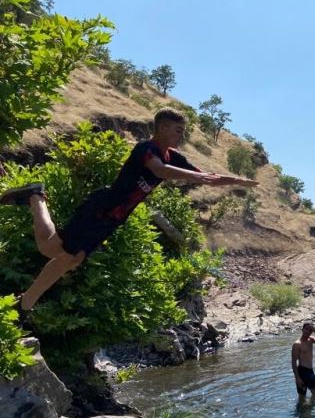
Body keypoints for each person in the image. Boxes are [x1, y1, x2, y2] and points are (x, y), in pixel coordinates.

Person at [0, 108, 258, 312]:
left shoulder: (174, 156)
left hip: (115, 217)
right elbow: (159, 171)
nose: (181, 136)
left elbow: (206, 177)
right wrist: (197, 178)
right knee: (53, 250)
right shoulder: (146, 149)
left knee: (72, 259)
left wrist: (235, 181)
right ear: (163, 127)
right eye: (178, 130)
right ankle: (36, 197)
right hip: (103, 207)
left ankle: (25, 302)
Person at [291, 323, 315, 399]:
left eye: (310, 330)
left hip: (310, 371)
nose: (308, 331)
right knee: (311, 395)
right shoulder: (297, 344)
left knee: (304, 396)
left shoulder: (311, 339)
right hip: (303, 371)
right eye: (306, 329)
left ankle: (306, 409)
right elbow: (293, 362)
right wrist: (297, 378)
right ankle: (307, 408)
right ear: (302, 329)